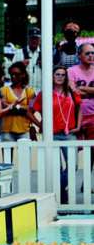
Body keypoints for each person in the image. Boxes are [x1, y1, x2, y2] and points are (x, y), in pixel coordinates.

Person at [30, 66, 81, 204]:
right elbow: (30, 111)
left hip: (68, 133)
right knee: (56, 167)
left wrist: (78, 125)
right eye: (57, 74)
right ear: (52, 76)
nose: (60, 77)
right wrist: (41, 125)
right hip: (51, 134)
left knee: (73, 166)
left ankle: (61, 189)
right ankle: (61, 198)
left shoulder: (70, 91)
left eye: (63, 75)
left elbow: (79, 106)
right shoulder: (45, 93)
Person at [0, 61, 36, 141]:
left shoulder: (29, 91)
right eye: (11, 74)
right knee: (7, 153)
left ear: (23, 75)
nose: (13, 76)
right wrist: (23, 109)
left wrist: (13, 107)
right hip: (7, 130)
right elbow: (3, 106)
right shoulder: (4, 90)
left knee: (25, 153)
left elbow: (32, 109)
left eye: (17, 74)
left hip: (24, 130)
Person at [68, 43, 94, 145]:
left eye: (93, 53)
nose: (91, 56)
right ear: (79, 55)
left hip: (93, 115)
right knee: (74, 149)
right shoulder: (71, 71)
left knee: (92, 148)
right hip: (76, 115)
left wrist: (82, 88)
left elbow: (78, 89)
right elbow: (73, 91)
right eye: (87, 53)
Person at [14, 28, 42, 92]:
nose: (34, 40)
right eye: (32, 38)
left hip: (40, 91)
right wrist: (20, 66)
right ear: (28, 39)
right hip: (23, 91)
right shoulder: (19, 53)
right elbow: (11, 72)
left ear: (40, 40)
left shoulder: (45, 54)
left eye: (36, 38)